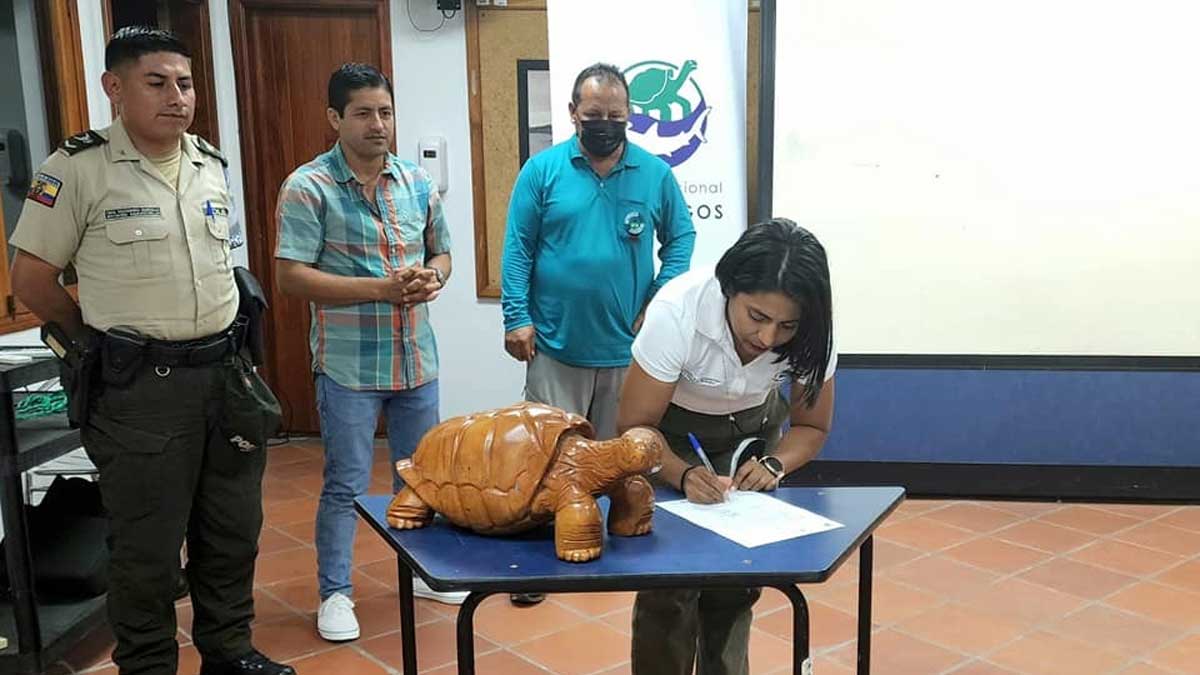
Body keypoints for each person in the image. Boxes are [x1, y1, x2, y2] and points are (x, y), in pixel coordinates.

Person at [9, 27, 291, 675]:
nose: (177, 97)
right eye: (156, 82)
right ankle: (148, 665)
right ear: (114, 88)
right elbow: (30, 280)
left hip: (225, 378)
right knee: (147, 548)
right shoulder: (76, 169)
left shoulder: (209, 164)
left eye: (185, 83)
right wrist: (94, 340)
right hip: (141, 391)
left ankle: (228, 650)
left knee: (231, 531)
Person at [274, 63, 464, 643]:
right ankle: (335, 592)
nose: (378, 124)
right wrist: (380, 290)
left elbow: (444, 254)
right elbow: (290, 277)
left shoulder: (414, 182)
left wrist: (432, 278)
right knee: (347, 485)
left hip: (416, 361)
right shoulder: (308, 187)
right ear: (335, 118)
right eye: (363, 113)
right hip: (349, 367)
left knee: (421, 478)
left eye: (384, 112)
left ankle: (424, 571)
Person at [500, 62, 695, 605]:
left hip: (626, 352)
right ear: (572, 115)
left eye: (615, 115)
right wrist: (515, 316)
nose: (605, 123)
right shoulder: (542, 172)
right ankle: (535, 564)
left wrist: (659, 298)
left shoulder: (654, 174)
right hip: (555, 344)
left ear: (629, 115)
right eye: (594, 115)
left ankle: (621, 555)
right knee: (544, 457)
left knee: (621, 459)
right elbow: (517, 248)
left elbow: (681, 237)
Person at [616, 219, 838, 675]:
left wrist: (775, 463)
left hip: (752, 436)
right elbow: (635, 426)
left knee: (737, 581)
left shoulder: (815, 333)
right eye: (757, 317)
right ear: (729, 288)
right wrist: (680, 474)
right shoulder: (677, 311)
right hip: (670, 437)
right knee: (669, 580)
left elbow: (811, 426)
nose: (769, 338)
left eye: (786, 325)